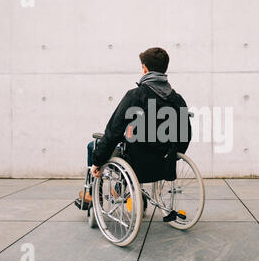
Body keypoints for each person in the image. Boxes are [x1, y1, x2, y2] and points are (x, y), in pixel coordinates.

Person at [76, 47, 192, 211]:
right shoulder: (177, 99)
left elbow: (113, 132)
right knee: (133, 145)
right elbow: (185, 134)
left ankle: (92, 194)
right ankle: (121, 191)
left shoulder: (136, 95)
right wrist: (173, 155)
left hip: (136, 161)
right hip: (163, 162)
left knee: (94, 146)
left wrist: (97, 161)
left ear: (144, 68)